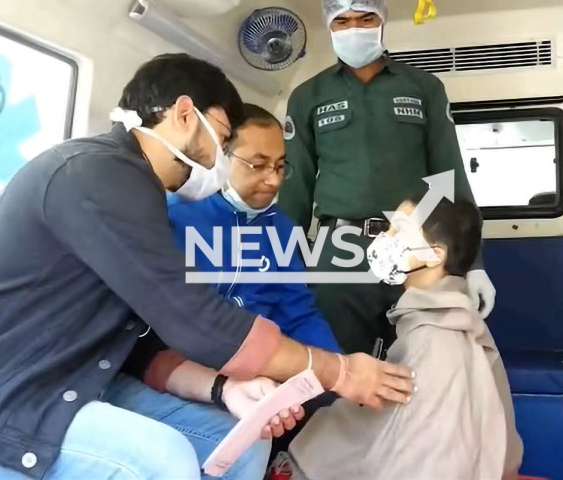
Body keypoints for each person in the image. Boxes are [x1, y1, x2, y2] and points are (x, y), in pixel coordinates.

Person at [0, 54, 414, 480]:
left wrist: (226, 390)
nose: (219, 158)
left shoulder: (140, 190)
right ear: (184, 114)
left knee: (243, 444)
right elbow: (196, 320)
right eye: (221, 138)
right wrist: (338, 372)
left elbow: (136, 341)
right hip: (26, 395)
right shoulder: (96, 176)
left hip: (94, 378)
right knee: (166, 459)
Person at [279, 0, 497, 356]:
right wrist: (285, 266)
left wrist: (473, 264)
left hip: (417, 245)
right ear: (329, 28)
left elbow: (451, 175)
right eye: (342, 22)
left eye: (366, 19)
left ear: (382, 22)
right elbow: (294, 189)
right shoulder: (307, 97)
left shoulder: (424, 87)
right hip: (339, 250)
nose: (354, 29)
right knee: (339, 363)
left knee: (422, 362)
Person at [287, 193, 523, 480]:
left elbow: (424, 459)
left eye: (398, 231)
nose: (384, 238)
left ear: (435, 255)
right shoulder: (442, 317)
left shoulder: (436, 342)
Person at [167, 104, 341, 353]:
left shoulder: (281, 229)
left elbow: (299, 315)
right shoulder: (174, 218)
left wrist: (341, 371)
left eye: (280, 166)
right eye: (258, 165)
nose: (274, 181)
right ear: (219, 158)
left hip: (262, 362)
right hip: (190, 366)